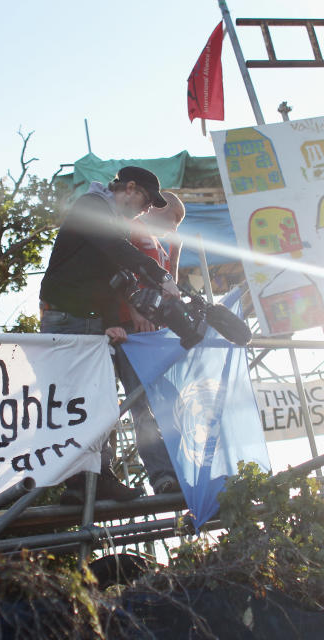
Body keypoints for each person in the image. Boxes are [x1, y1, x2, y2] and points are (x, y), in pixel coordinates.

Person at [39, 166, 180, 502]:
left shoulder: (111, 218)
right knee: (80, 399)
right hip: (66, 315)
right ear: (129, 188)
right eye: (146, 202)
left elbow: (107, 277)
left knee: (95, 400)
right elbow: (114, 250)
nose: (146, 211)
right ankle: (79, 482)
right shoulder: (92, 205)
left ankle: (93, 480)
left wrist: (106, 321)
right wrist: (160, 276)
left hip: (84, 315)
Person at [113, 192, 187, 494]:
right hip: (131, 329)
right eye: (174, 220)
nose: (175, 228)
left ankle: (183, 467)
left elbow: (172, 285)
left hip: (158, 332)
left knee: (171, 402)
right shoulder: (129, 227)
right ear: (158, 209)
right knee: (140, 404)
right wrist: (132, 310)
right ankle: (162, 474)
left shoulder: (168, 242)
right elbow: (116, 272)